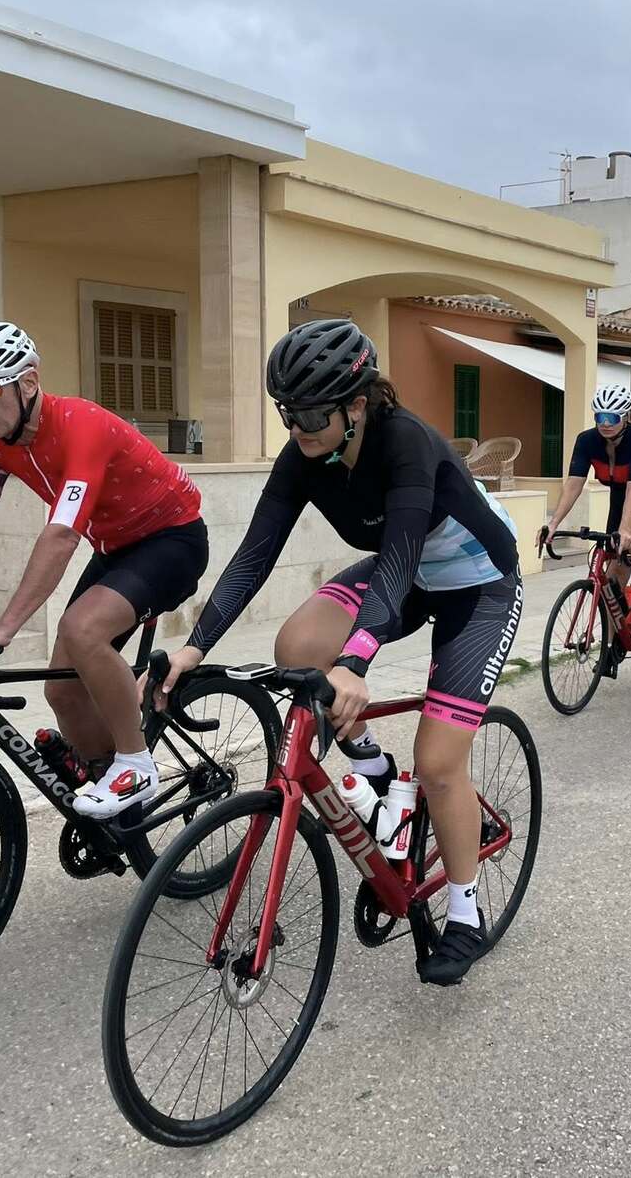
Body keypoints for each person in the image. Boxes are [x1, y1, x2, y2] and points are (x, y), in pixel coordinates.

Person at [154, 319, 521, 987]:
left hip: (478, 587)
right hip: (406, 578)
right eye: (286, 412)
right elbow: (255, 555)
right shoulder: (305, 454)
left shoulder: (405, 442)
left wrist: (355, 662)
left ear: (357, 404)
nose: (297, 427)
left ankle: (465, 910)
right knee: (297, 647)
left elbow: (400, 553)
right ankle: (373, 767)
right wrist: (194, 646)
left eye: (310, 414)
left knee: (439, 765)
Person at [0, 321, 207, 819]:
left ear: (29, 382)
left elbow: (61, 534)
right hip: (116, 549)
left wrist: (4, 627)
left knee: (81, 630)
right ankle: (114, 801)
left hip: (173, 541)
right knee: (62, 688)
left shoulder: (82, 426)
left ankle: (137, 764)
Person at [541, 384, 631, 641]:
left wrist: (625, 530)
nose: (605, 423)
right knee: (611, 581)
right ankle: (612, 646)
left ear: (625, 416)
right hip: (621, 500)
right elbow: (574, 484)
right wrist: (553, 524)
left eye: (612, 417)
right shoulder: (586, 441)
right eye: (600, 417)